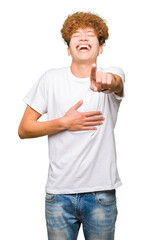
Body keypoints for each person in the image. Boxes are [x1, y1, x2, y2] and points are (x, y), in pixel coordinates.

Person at [18, 11, 125, 240]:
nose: (83, 38)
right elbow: (24, 129)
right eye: (76, 35)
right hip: (59, 196)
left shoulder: (112, 74)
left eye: (90, 35)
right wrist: (63, 122)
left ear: (101, 46)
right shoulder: (50, 79)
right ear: (69, 48)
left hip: (100, 195)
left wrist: (108, 83)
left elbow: (115, 84)